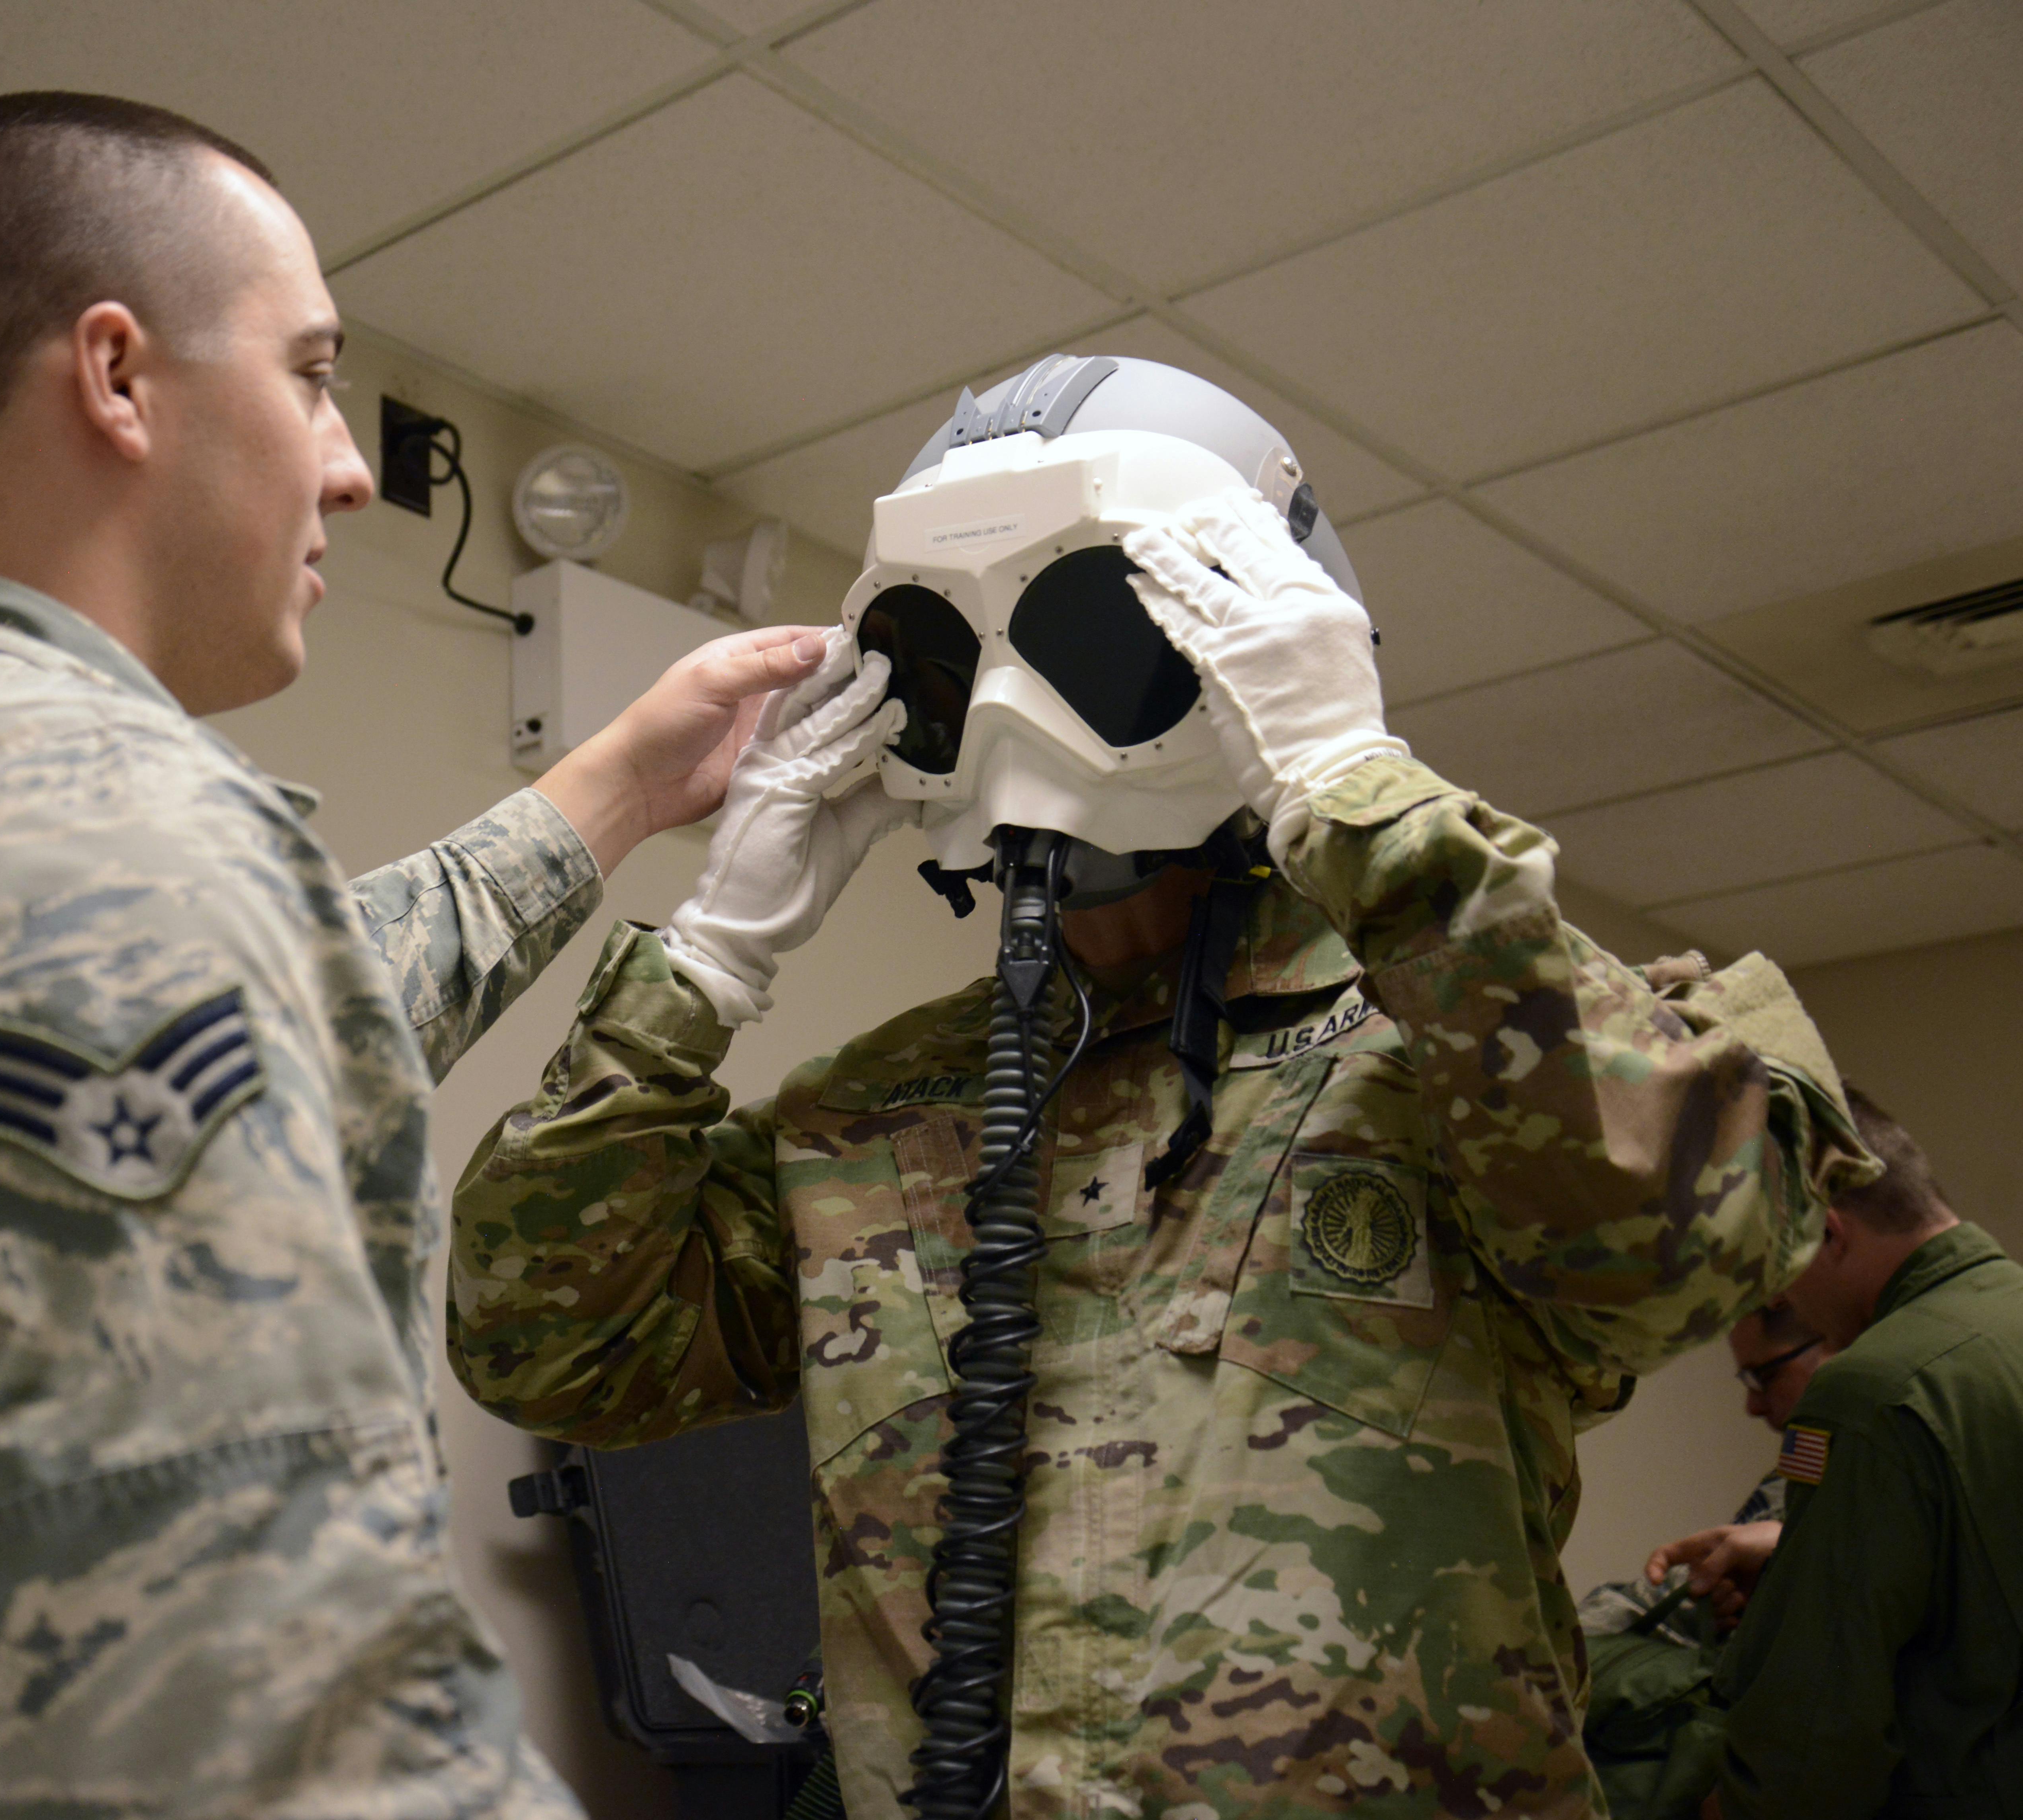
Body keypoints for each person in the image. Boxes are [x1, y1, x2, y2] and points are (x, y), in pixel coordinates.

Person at [0, 92, 835, 1820]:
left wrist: (612, 791)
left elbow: (295, 1010)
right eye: (309, 373)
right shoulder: (100, 828)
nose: (353, 462)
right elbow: (252, 1712)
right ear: (118, 376)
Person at [447, 386, 1875, 1816]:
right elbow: (542, 1344)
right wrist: (706, 959)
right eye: (955, 656)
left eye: (1087, 634)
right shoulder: (870, 1119)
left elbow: (1677, 1252)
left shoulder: (1457, 1032)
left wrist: (1354, 793)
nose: (1011, 711)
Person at [1683, 1088, 2023, 1818]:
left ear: (1828, 1234)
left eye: (1779, 1272)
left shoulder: (1865, 1392)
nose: (1791, 1304)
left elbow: (1812, 1728)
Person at [1585, 1299, 1829, 1644]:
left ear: (1835, 1347)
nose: (1752, 1406)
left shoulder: (1896, 1459)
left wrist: (1791, 1552)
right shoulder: (1808, 1467)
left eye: (1765, 1376)